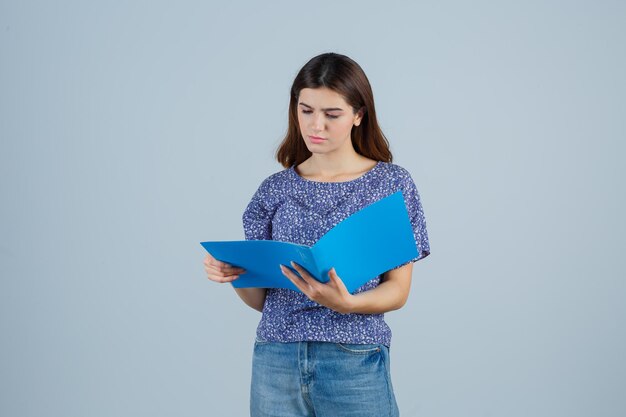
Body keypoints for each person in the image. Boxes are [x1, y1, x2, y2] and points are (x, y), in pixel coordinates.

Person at [203, 52, 430, 417]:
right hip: (276, 360)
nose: (315, 125)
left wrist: (348, 304)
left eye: (331, 114)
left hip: (353, 359)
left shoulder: (390, 185)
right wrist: (236, 275)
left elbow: (398, 290)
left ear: (359, 115)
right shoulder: (273, 190)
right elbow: (262, 299)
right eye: (306, 110)